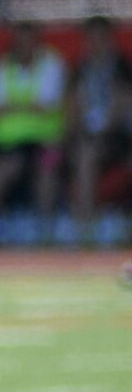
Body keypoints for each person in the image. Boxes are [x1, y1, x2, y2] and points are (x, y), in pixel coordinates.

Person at [0, 19, 65, 224]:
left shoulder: (51, 64)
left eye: (30, 40)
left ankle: (46, 230)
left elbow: (47, 106)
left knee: (47, 171)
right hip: (5, 144)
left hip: (44, 142)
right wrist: (28, 105)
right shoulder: (1, 66)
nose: (25, 45)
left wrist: (11, 106)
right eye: (21, 40)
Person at [66, 14, 132, 231]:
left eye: (100, 38)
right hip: (86, 137)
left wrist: (102, 129)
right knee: (49, 160)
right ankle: (47, 225)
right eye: (90, 39)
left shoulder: (122, 68)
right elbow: (73, 109)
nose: (95, 44)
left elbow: (122, 108)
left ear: (110, 40)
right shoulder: (80, 70)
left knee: (87, 156)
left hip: (117, 138)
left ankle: (85, 224)